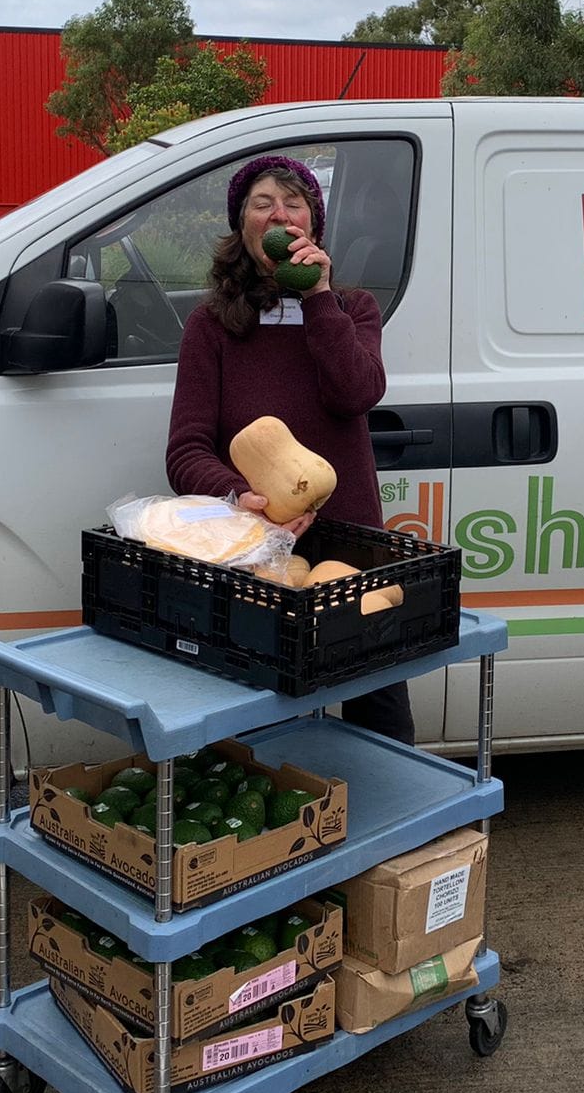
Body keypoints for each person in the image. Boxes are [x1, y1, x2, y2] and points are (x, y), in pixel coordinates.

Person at [165, 153, 413, 745]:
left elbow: (357, 392)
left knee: (376, 695)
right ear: (242, 226)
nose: (280, 214)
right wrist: (238, 495)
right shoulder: (212, 327)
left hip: (354, 540)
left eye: (294, 202)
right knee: (269, 707)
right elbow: (186, 449)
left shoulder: (352, 309)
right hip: (260, 547)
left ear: (313, 225)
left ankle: (393, 821)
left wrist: (319, 297)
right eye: (262, 204)